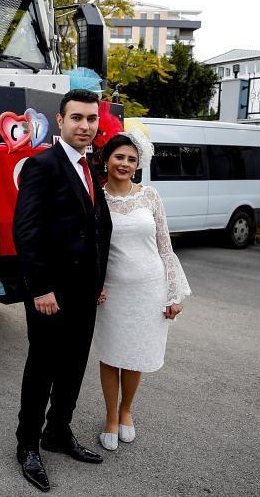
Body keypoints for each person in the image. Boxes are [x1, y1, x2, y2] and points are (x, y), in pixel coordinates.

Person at [12, 88, 113, 493]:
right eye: (77, 118)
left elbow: (95, 229)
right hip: (50, 294)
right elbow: (27, 231)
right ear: (60, 120)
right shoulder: (42, 165)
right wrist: (41, 288)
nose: (85, 126)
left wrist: (99, 281)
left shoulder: (89, 167)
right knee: (42, 369)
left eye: (92, 118)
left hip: (84, 291)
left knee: (73, 366)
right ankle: (27, 445)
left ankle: (58, 431)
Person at [93, 130, 191, 452]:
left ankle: (126, 411)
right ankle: (110, 417)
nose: (124, 163)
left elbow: (165, 246)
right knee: (110, 355)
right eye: (119, 157)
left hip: (150, 290)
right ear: (106, 160)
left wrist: (173, 294)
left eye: (131, 159)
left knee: (135, 355)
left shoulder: (150, 196)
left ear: (138, 164)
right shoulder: (95, 198)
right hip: (111, 293)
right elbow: (88, 248)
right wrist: (93, 285)